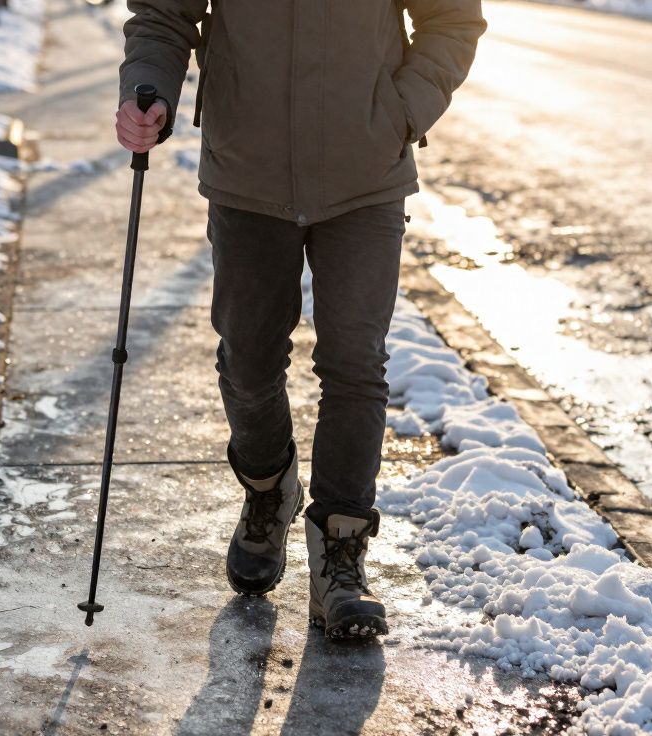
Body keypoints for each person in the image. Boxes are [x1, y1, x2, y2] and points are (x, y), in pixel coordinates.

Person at [114, 1, 486, 639]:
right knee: (247, 359)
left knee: (354, 363)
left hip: (365, 174)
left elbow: (452, 19)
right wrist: (148, 90)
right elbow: (163, 15)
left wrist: (398, 113)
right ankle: (266, 487)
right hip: (247, 167)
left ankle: (341, 554)